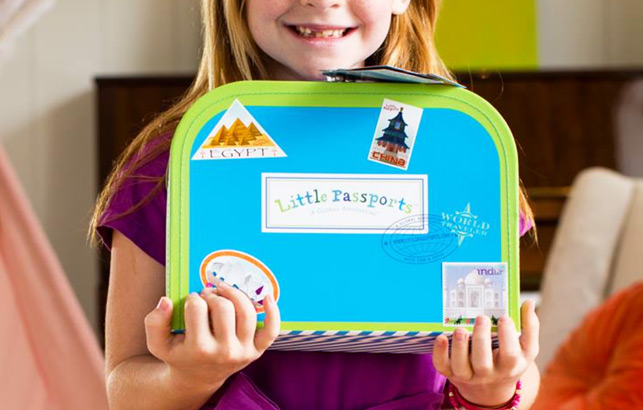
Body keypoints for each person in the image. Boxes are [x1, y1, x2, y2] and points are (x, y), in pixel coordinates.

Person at [91, 0, 540, 409]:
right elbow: (124, 387)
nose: (322, 1)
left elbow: (512, 360)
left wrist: (493, 389)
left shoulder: (463, 152)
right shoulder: (170, 165)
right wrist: (189, 378)